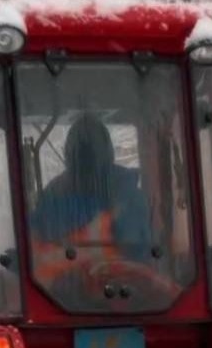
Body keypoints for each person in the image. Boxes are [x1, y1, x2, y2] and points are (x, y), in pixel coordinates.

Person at [28, 114, 153, 290]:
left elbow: (137, 252)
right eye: (83, 155)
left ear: (68, 154)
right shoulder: (52, 198)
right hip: (65, 295)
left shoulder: (52, 197)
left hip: (119, 293)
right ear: (109, 153)